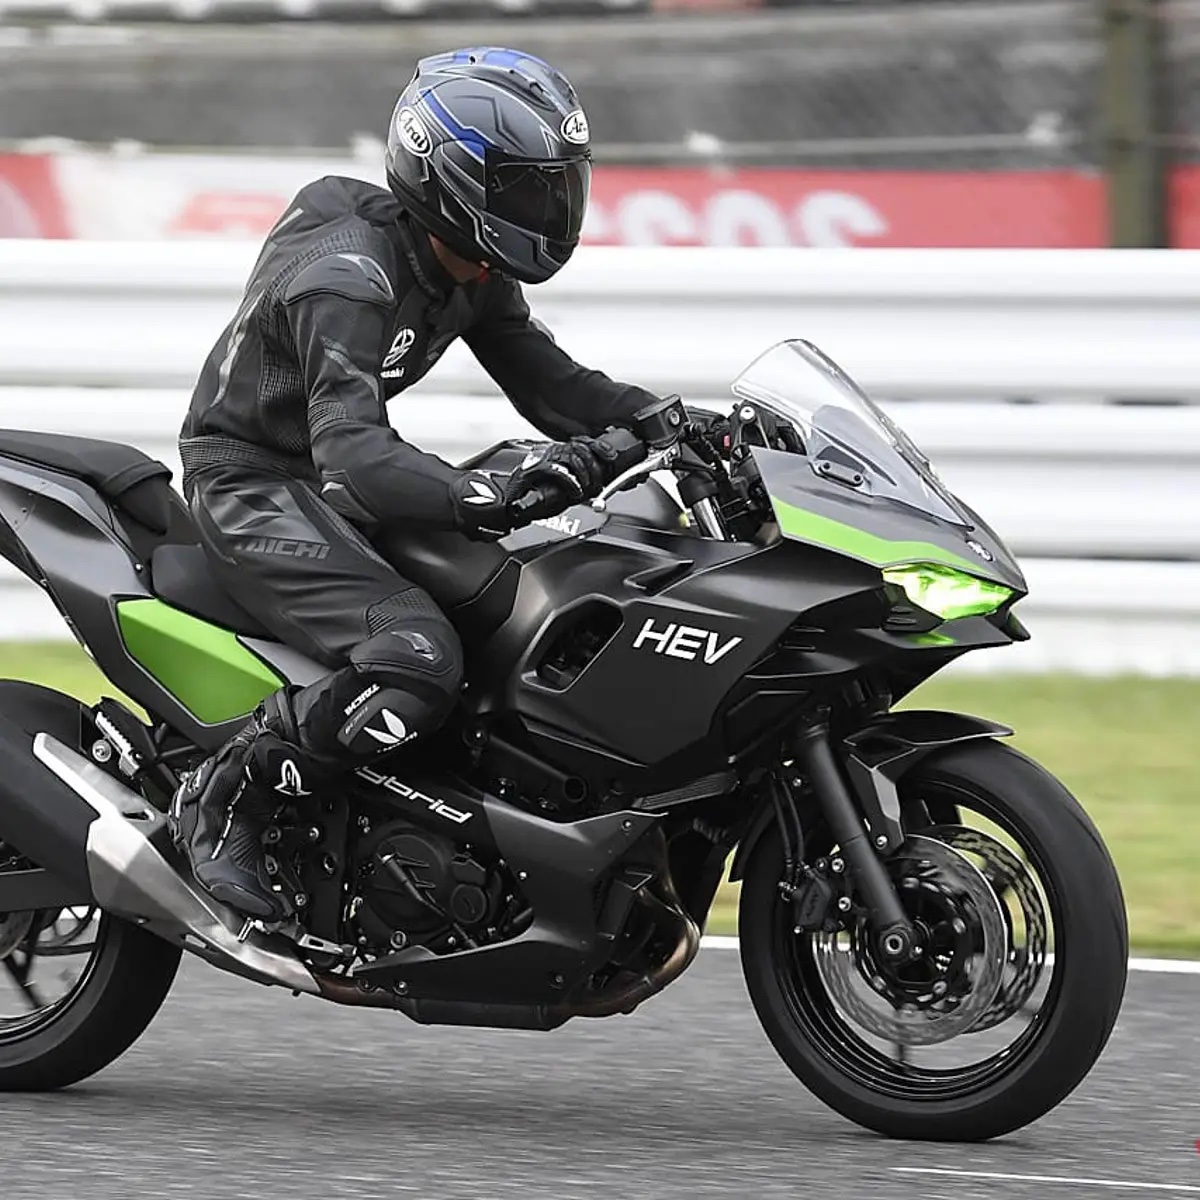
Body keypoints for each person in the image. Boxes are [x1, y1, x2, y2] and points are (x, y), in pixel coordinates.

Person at [169, 47, 661, 922]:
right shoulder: (351, 275)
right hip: (250, 482)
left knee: (512, 603)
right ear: (455, 178)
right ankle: (226, 798)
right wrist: (486, 496)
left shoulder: (465, 268)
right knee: (418, 656)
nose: (553, 206)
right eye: (527, 187)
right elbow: (353, 451)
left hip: (322, 483)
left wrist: (676, 424)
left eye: (559, 183)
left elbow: (553, 386)